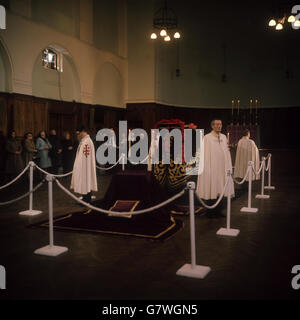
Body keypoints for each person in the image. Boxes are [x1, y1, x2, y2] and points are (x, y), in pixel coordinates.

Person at [196, 119, 234, 218]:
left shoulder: (224, 137)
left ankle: (218, 210)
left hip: (222, 168)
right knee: (212, 188)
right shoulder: (207, 138)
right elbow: (204, 154)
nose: (219, 126)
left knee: (220, 188)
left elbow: (226, 152)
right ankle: (210, 212)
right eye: (217, 124)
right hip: (211, 168)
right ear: (212, 126)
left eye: (220, 124)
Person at [71, 126, 97, 204]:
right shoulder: (84, 141)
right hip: (83, 166)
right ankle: (85, 198)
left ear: (83, 132)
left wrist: (81, 166)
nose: (77, 136)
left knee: (86, 182)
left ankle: (86, 200)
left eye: (78, 134)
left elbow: (86, 156)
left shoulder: (87, 141)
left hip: (85, 166)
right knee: (84, 182)